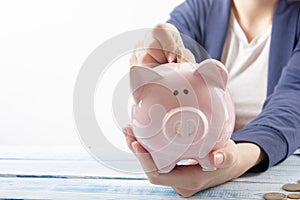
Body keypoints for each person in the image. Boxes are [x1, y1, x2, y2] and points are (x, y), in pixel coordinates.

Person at [123, 0, 300, 197]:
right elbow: (166, 51)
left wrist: (236, 160)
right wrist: (152, 62)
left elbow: (293, 105)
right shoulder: (196, 11)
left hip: (275, 167)